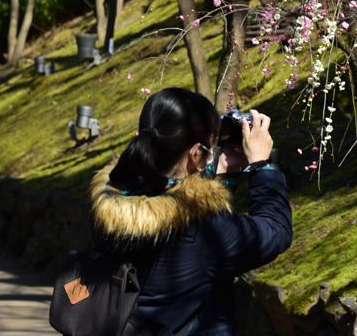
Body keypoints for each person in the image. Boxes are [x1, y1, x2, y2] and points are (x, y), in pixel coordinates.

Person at [90, 88, 292, 336]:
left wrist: (218, 173)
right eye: (211, 141)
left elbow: (174, 194)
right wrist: (262, 167)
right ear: (196, 153)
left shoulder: (115, 200)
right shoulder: (201, 231)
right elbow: (276, 231)